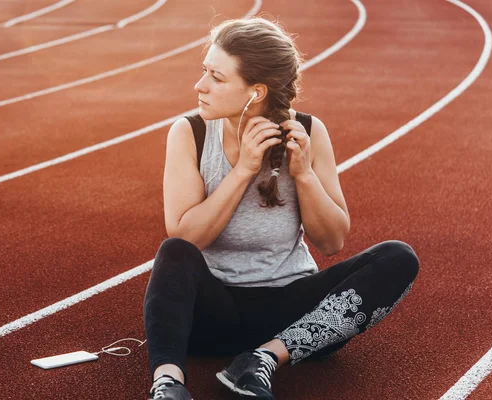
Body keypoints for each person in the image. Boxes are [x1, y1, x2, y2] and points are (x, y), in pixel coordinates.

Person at [143, 16, 419, 400]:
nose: (200, 85)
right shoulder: (191, 133)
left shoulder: (309, 131)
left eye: (216, 77)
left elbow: (333, 240)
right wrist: (242, 172)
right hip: (212, 313)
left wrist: (304, 173)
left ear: (256, 92)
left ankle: (262, 360)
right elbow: (187, 235)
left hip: (292, 314)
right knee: (172, 253)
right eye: (204, 71)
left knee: (398, 258)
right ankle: (169, 384)